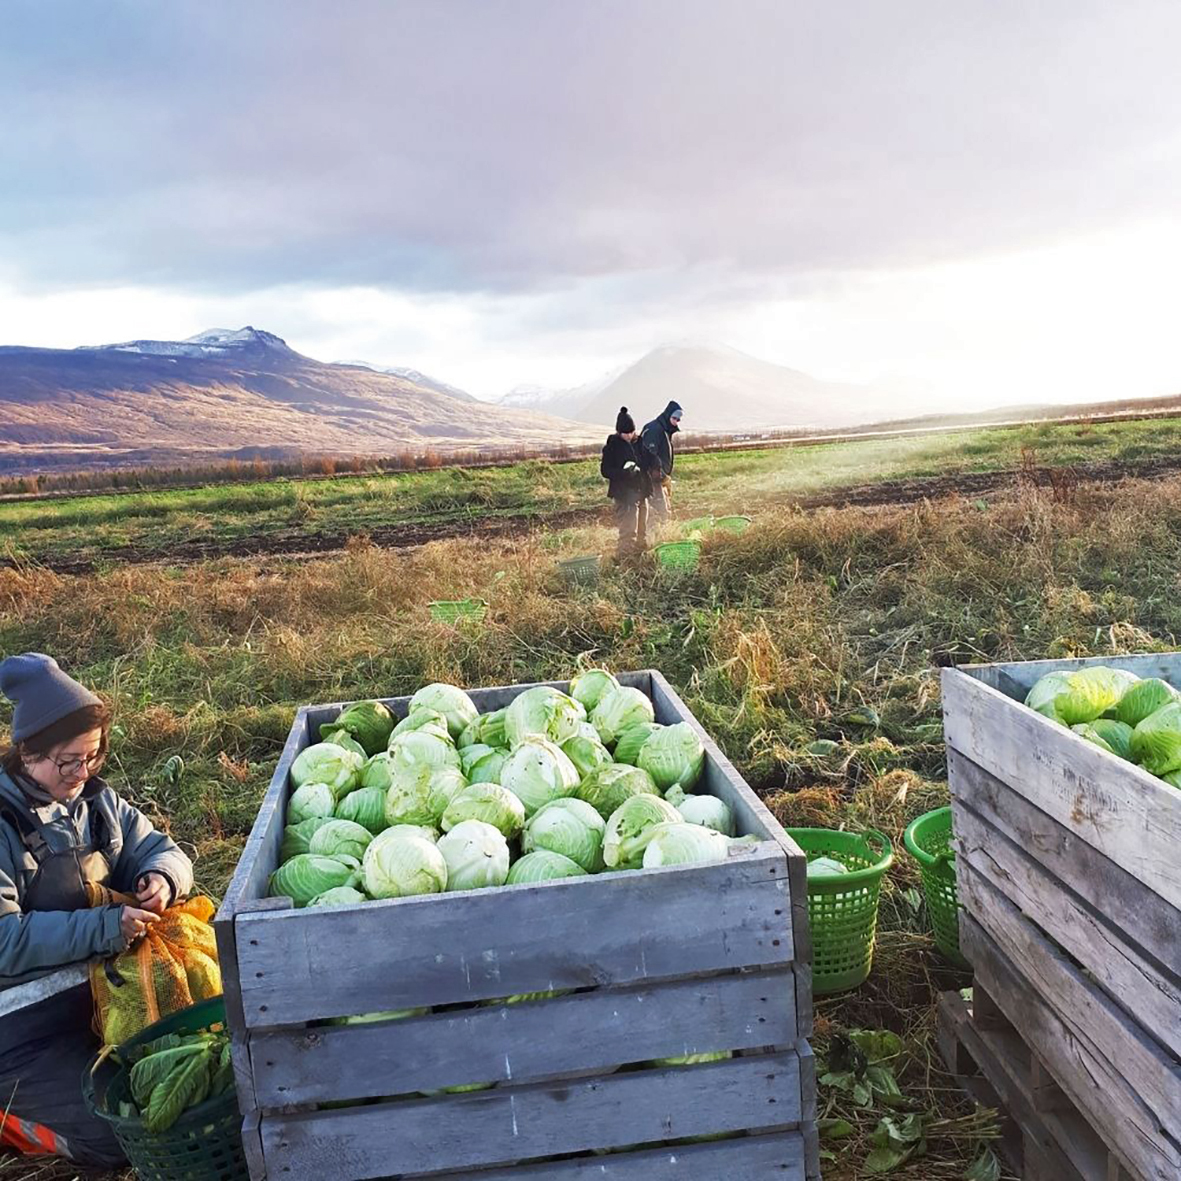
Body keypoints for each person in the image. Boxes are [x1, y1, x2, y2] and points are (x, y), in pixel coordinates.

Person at [0, 653, 194, 1167]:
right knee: (117, 1137)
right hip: (19, 1033)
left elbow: (163, 850)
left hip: (98, 1002)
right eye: (68, 761)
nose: (82, 772)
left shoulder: (96, 802)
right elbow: (5, 939)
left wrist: (163, 881)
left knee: (177, 1096)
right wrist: (106, 927)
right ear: (27, 753)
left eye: (93, 756)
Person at [600, 407, 649, 557]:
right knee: (628, 531)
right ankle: (624, 560)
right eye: (625, 433)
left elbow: (648, 458)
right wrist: (624, 473)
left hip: (641, 493)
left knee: (642, 530)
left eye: (631, 432)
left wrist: (655, 465)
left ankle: (641, 558)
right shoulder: (612, 447)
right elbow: (605, 470)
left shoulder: (639, 443)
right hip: (624, 495)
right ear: (619, 432)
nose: (629, 436)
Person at [640, 400, 683, 526]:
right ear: (667, 415)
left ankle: (660, 536)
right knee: (658, 512)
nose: (677, 421)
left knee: (663, 510)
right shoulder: (654, 430)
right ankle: (655, 540)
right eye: (675, 418)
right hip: (651, 480)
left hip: (657, 478)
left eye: (679, 419)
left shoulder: (663, 430)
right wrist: (662, 476)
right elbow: (649, 458)